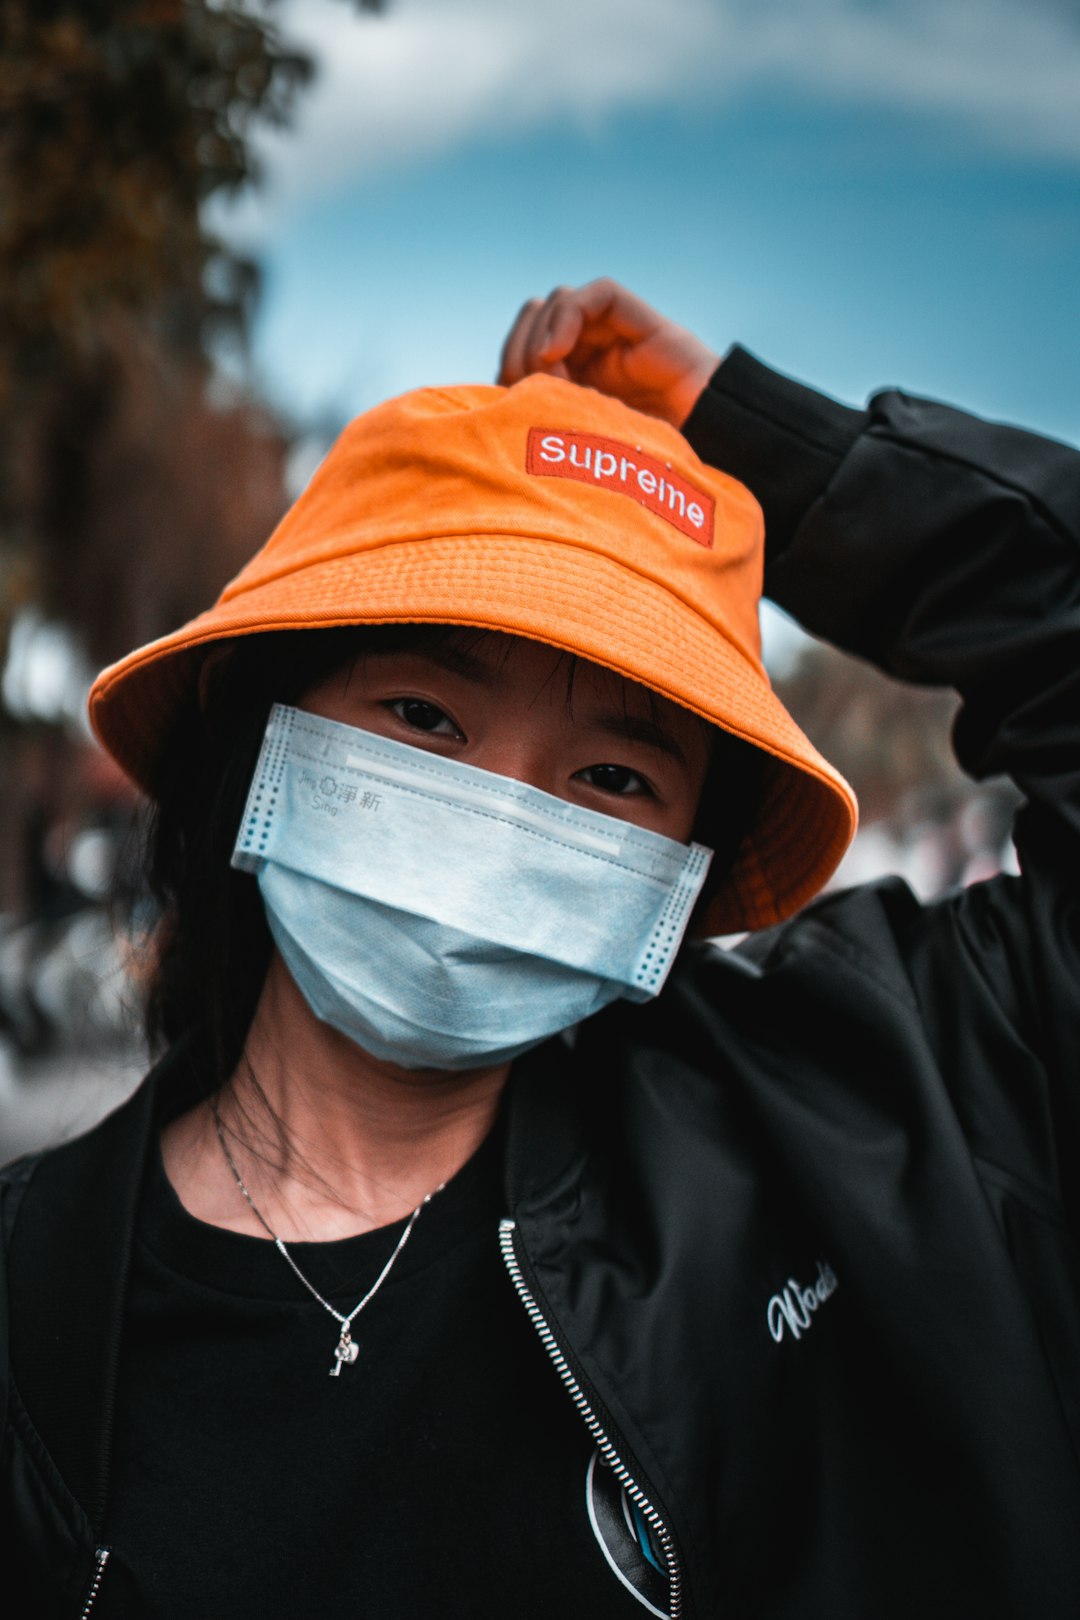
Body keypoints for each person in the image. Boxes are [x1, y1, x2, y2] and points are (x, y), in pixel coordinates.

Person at [2, 277, 1078, 1620]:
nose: (506, 814)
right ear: (265, 729)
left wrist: (770, 456)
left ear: (687, 859)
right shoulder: (25, 1313)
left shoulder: (856, 1127)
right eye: (428, 714)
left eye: (617, 777)